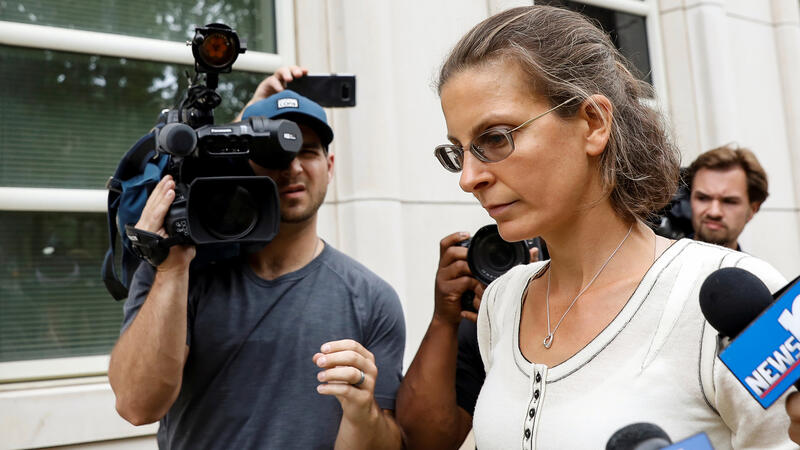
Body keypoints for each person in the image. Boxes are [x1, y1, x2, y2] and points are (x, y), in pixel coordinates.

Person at [396, 6, 793, 449]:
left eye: (495, 138)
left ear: (593, 123)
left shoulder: (736, 295)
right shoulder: (502, 302)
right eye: (458, 151)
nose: (468, 178)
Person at [108, 66, 405, 449]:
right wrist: (172, 269)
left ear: (330, 167)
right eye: (274, 153)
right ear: (243, 166)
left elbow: (391, 440)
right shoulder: (179, 267)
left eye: (308, 152)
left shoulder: (372, 299)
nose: (293, 167)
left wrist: (363, 413)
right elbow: (136, 406)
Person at [687, 144, 769, 250]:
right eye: (703, 198)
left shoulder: (758, 264)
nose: (714, 212)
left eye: (729, 201)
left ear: (753, 209)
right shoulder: (665, 256)